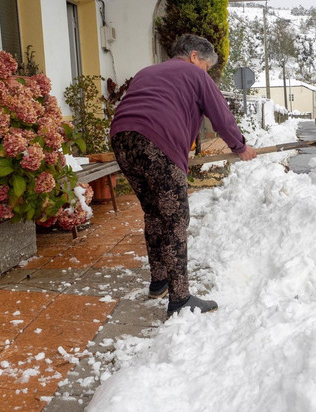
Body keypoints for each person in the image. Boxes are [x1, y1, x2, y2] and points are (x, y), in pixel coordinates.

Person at [110, 34, 257, 316]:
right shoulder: (194, 74)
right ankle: (179, 299)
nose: (206, 72)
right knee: (176, 217)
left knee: (154, 213)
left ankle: (159, 280)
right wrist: (240, 146)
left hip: (121, 139)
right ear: (193, 56)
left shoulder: (147, 71)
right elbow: (221, 116)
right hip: (156, 141)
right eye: (206, 66)